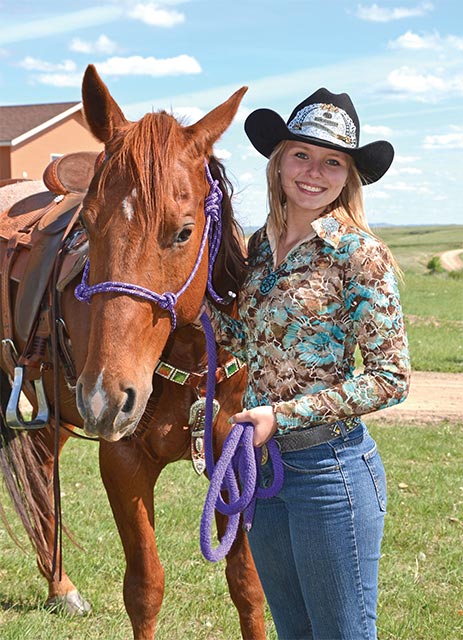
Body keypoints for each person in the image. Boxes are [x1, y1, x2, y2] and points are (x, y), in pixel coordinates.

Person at [206, 87, 410, 639]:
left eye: (332, 162)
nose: (313, 172)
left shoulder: (358, 253)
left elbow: (391, 378)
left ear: (348, 176)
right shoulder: (260, 247)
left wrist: (283, 415)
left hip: (330, 473)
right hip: (267, 471)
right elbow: (245, 343)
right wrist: (188, 295)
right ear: (278, 160)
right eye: (301, 154)